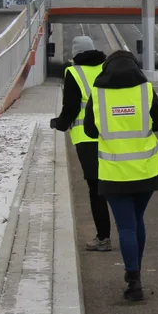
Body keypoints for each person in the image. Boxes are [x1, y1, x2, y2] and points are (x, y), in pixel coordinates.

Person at [84, 49, 158, 302]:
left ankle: (134, 279)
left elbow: (89, 130)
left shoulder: (97, 94)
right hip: (146, 169)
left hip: (113, 171)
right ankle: (135, 276)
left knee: (126, 226)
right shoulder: (146, 90)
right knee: (137, 219)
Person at [50, 35, 111, 251]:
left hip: (86, 139)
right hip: (110, 135)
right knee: (115, 186)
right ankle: (126, 232)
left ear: (75, 54)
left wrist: (60, 123)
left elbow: (72, 107)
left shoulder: (73, 72)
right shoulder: (106, 69)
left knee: (96, 189)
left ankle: (103, 237)